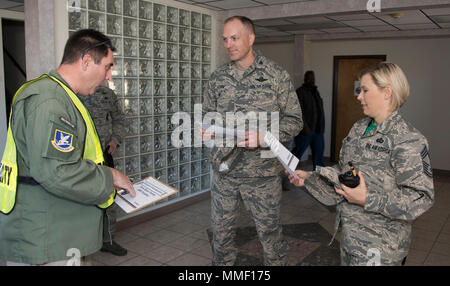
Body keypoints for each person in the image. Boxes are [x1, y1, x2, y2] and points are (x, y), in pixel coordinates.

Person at [0, 29, 135, 266]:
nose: (109, 77)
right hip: (47, 239)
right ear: (85, 61)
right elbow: (57, 171)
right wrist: (109, 176)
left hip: (55, 232)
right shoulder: (50, 101)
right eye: (107, 66)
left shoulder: (58, 95)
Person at [287, 62, 434, 266]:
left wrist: (367, 199)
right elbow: (344, 172)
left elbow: (421, 198)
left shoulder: (407, 139)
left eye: (365, 90)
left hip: (380, 247)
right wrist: (310, 178)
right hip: (350, 238)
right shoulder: (359, 128)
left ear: (387, 92)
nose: (358, 96)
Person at [201, 16, 303, 266]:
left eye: (234, 38)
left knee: (269, 234)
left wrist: (264, 137)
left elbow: (295, 120)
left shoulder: (275, 75)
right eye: (225, 39)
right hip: (225, 171)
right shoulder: (218, 78)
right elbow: (206, 116)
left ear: (251, 39)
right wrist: (207, 129)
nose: (228, 44)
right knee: (221, 235)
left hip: (262, 174)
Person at [77, 85, 127, 256]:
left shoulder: (107, 93)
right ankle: (82, 246)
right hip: (81, 157)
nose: (108, 75)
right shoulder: (74, 91)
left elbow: (119, 118)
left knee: (108, 197)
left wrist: (114, 140)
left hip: (104, 155)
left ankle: (108, 240)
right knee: (82, 200)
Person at [292, 70, 325, 170]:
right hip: (305, 131)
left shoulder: (316, 91)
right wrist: (305, 129)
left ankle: (319, 176)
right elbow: (298, 112)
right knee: (296, 153)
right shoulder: (300, 92)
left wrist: (322, 126)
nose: (311, 79)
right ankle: (284, 172)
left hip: (318, 130)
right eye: (309, 77)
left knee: (319, 156)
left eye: (313, 77)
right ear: (305, 79)